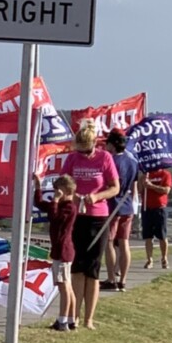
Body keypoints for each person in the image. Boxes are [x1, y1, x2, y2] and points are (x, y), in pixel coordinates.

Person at [61, 120, 119, 330]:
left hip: (98, 216)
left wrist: (96, 197)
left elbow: (115, 187)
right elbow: (62, 183)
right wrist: (73, 195)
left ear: (95, 143)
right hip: (76, 216)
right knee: (77, 268)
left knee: (92, 269)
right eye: (81, 151)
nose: (84, 155)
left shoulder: (105, 158)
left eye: (87, 151)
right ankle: (73, 316)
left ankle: (89, 318)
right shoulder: (72, 159)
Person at [33, 173, 79, 331]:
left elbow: (55, 218)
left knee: (63, 286)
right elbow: (39, 203)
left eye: (57, 190)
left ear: (66, 190)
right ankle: (72, 319)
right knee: (67, 285)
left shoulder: (69, 207)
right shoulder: (58, 205)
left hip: (63, 251)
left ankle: (63, 320)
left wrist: (56, 200)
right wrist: (38, 187)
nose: (54, 193)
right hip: (60, 250)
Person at [101, 129, 140, 292]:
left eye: (107, 143)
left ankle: (111, 278)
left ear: (113, 144)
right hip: (128, 204)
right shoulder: (133, 159)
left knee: (109, 242)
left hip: (113, 204)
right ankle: (123, 279)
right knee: (124, 243)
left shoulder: (111, 160)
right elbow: (135, 183)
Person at [140, 166, 172, 269]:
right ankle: (149, 259)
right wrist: (142, 183)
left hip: (160, 208)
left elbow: (166, 190)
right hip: (146, 208)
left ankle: (164, 258)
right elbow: (139, 190)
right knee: (148, 237)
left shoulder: (165, 174)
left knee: (162, 235)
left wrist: (151, 186)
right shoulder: (145, 175)